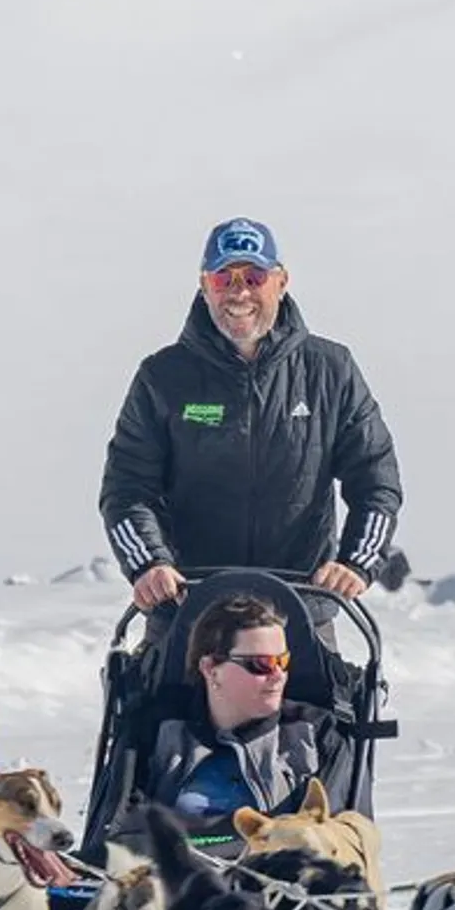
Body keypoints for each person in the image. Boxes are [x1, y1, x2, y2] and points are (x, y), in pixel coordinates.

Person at [100, 218, 403, 618]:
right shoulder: (162, 377)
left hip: (299, 613)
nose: (239, 291)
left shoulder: (331, 370)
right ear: (204, 285)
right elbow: (127, 489)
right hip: (188, 612)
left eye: (254, 276)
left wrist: (354, 564)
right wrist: (149, 565)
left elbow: (376, 480)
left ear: (281, 280)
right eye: (224, 278)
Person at [142, 592, 351, 832]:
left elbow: (335, 839)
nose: (278, 676)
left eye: (282, 662)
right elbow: (118, 830)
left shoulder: (315, 734)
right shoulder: (158, 731)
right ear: (211, 668)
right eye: (261, 664)